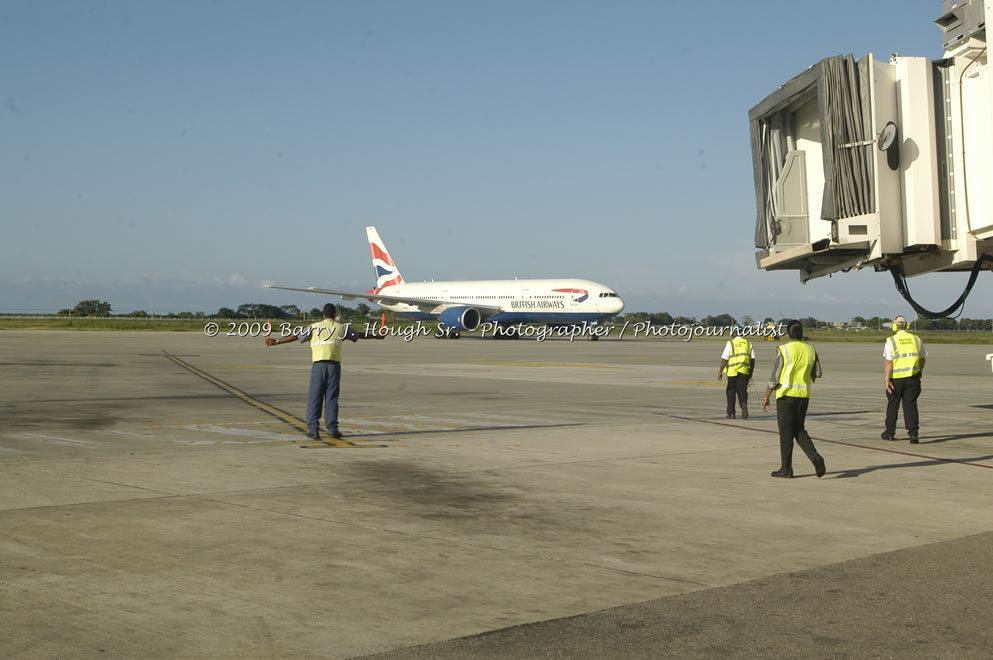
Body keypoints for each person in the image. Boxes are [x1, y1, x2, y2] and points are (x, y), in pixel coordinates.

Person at [266, 303, 380, 440]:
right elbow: (359, 335)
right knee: (332, 398)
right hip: (334, 366)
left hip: (318, 366)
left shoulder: (314, 327)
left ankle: (314, 430)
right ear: (334, 314)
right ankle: (333, 429)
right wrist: (376, 336)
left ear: (323, 314)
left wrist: (277, 342)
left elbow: (296, 336)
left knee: (315, 397)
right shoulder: (341, 327)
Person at [761, 319, 826, 479]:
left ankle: (786, 468)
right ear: (801, 333)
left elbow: (775, 376)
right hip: (803, 396)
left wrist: (766, 396)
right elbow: (817, 373)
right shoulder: (811, 349)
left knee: (785, 433)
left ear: (788, 333)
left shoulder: (784, 350)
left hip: (786, 396)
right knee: (799, 429)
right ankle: (815, 457)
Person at [881, 315, 926, 444]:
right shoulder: (916, 339)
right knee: (911, 405)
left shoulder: (891, 340)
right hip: (913, 377)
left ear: (895, 326)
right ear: (906, 326)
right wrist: (920, 372)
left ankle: (889, 433)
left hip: (896, 379)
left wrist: (887, 379)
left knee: (893, 405)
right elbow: (923, 358)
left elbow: (889, 362)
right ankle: (913, 434)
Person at [717, 331, 756, 419]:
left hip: (732, 372)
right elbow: (752, 359)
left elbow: (725, 358)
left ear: (734, 334)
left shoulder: (730, 343)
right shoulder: (748, 344)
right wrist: (751, 372)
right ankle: (743, 404)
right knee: (742, 391)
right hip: (744, 371)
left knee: (731, 391)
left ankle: (731, 412)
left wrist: (720, 371)